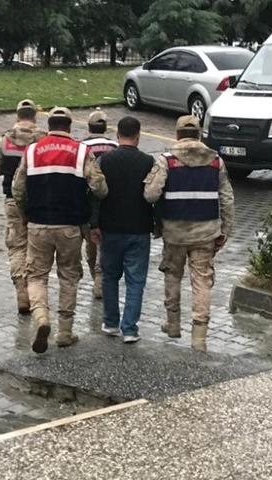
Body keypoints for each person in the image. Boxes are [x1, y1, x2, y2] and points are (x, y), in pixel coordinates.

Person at [12, 106, 108, 354]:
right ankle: (65, 331)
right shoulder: (81, 152)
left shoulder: (32, 151)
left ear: (49, 126)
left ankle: (41, 317)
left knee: (36, 275)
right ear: (69, 127)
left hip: (38, 225)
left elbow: (18, 189)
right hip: (70, 227)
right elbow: (99, 188)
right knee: (68, 276)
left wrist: (24, 215)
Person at [144, 115, 235, 353]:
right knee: (202, 282)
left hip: (174, 234)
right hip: (206, 233)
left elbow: (150, 194)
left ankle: (173, 324)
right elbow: (227, 199)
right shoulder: (216, 161)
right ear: (199, 134)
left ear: (176, 135)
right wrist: (226, 230)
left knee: (172, 276)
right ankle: (199, 337)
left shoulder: (167, 160)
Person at [89, 116, 154, 344]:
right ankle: (130, 329)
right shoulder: (148, 162)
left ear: (117, 135)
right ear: (138, 135)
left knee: (109, 277)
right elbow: (154, 196)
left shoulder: (105, 161)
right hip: (139, 229)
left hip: (110, 228)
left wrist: (94, 224)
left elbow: (96, 194)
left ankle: (110, 323)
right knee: (136, 280)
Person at [0, 99, 46, 315]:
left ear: (17, 117)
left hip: (12, 201)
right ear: (34, 117)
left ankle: (22, 292)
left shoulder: (5, 140)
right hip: (39, 202)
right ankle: (37, 294)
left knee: (17, 247)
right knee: (37, 248)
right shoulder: (43, 139)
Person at [81, 110, 119, 300]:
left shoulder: (82, 147)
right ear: (105, 127)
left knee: (91, 243)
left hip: (89, 204)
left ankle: (96, 277)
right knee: (104, 242)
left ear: (89, 127)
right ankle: (100, 275)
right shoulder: (115, 146)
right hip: (110, 203)